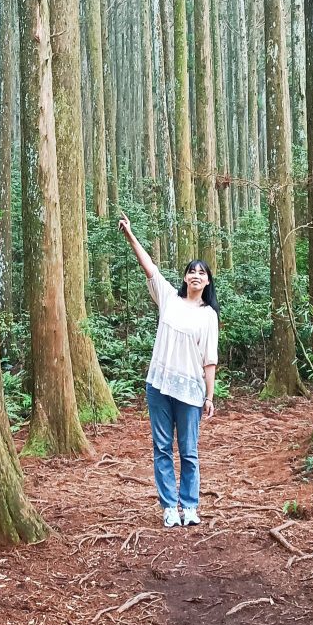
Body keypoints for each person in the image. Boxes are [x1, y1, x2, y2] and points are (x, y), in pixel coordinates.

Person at [118, 214, 219, 528]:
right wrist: (131, 235)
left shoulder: (208, 316)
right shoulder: (169, 299)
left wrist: (210, 396)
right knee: (162, 447)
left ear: (207, 281)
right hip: (159, 387)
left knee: (188, 451)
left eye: (201, 273)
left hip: (190, 391)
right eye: (192, 271)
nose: (196, 276)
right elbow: (149, 266)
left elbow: (209, 360)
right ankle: (169, 507)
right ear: (185, 278)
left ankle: (189, 505)